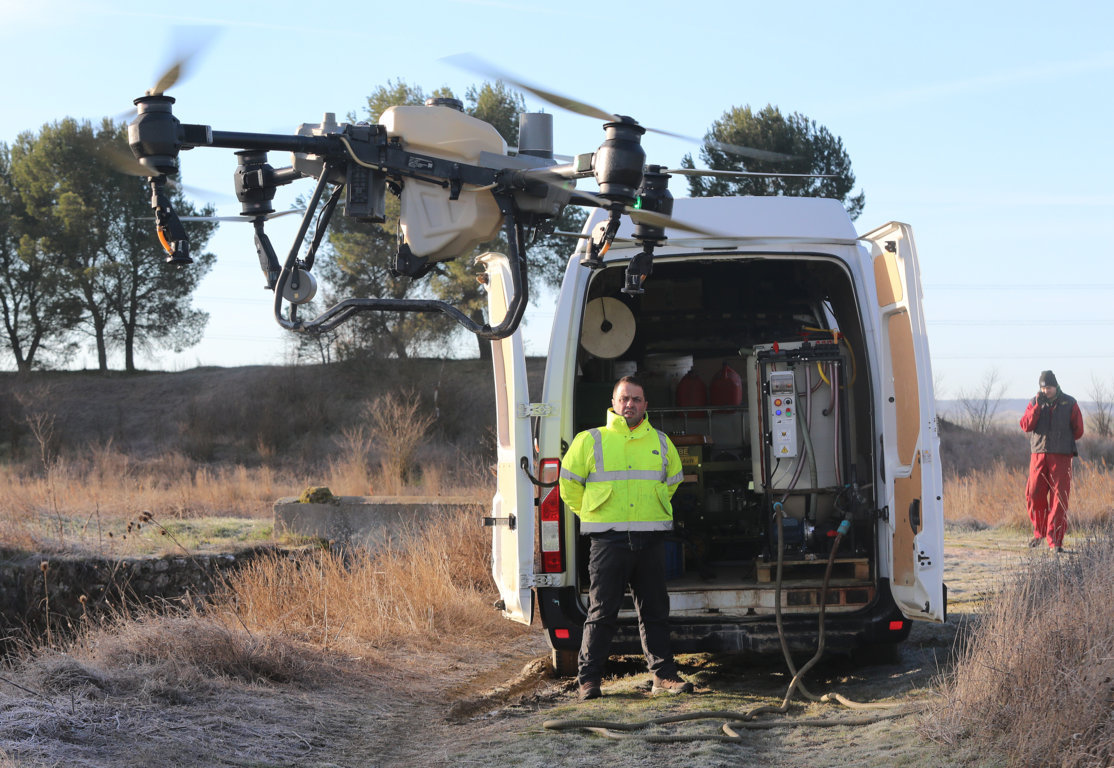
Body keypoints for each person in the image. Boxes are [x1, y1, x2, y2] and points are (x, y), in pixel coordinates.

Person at [559, 375, 693, 701]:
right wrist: (592, 512)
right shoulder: (589, 440)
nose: (629, 404)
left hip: (650, 539)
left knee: (655, 612)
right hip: (608, 540)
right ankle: (589, 681)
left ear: (645, 404)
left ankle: (663, 676)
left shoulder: (661, 441)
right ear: (613, 403)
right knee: (601, 612)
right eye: (624, 398)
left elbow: (672, 482)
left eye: (635, 399)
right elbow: (568, 486)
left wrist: (650, 509)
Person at [1019, 370, 1084, 553]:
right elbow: (1025, 425)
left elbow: (1079, 430)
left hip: (1061, 456)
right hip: (1038, 454)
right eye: (1043, 388)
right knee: (1033, 494)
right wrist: (1037, 408)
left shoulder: (1070, 403)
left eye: (1048, 387)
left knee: (1059, 498)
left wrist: (1063, 438)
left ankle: (1055, 541)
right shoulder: (1034, 402)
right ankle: (1039, 533)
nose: (1045, 391)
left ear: (1056, 386)